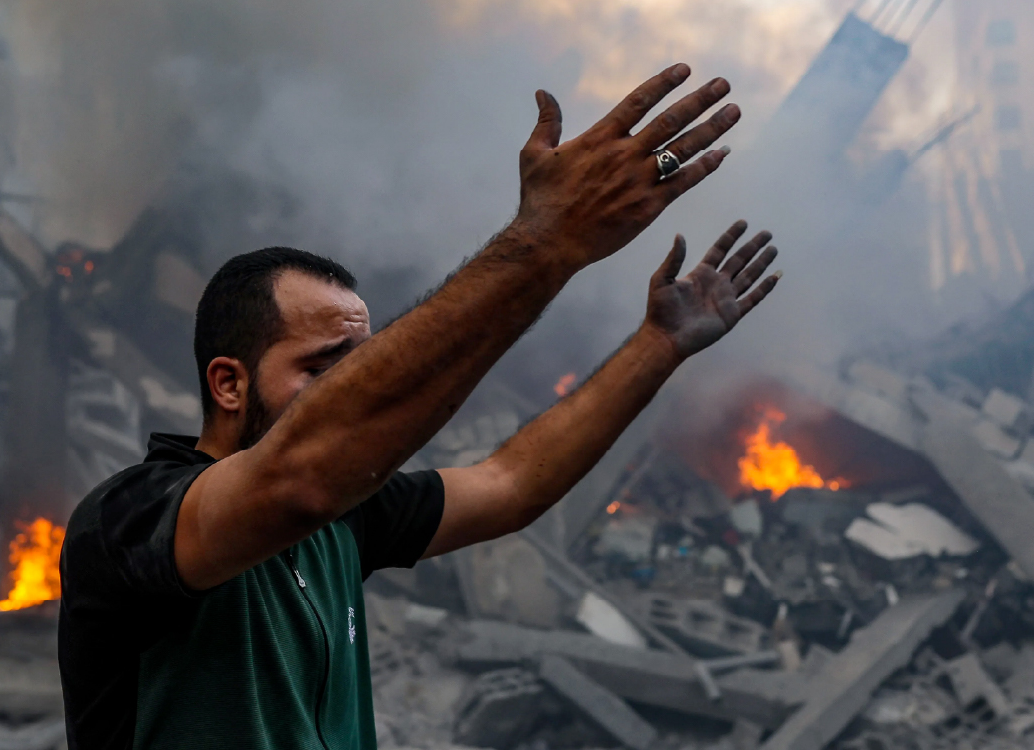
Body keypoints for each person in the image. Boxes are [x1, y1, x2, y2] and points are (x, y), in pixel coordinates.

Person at [58, 63, 782, 750]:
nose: (357, 395)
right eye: (323, 370)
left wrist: (657, 346)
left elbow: (512, 484)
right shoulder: (131, 520)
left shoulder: (345, 522)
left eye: (363, 369)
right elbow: (295, 482)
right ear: (228, 384)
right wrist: (547, 242)